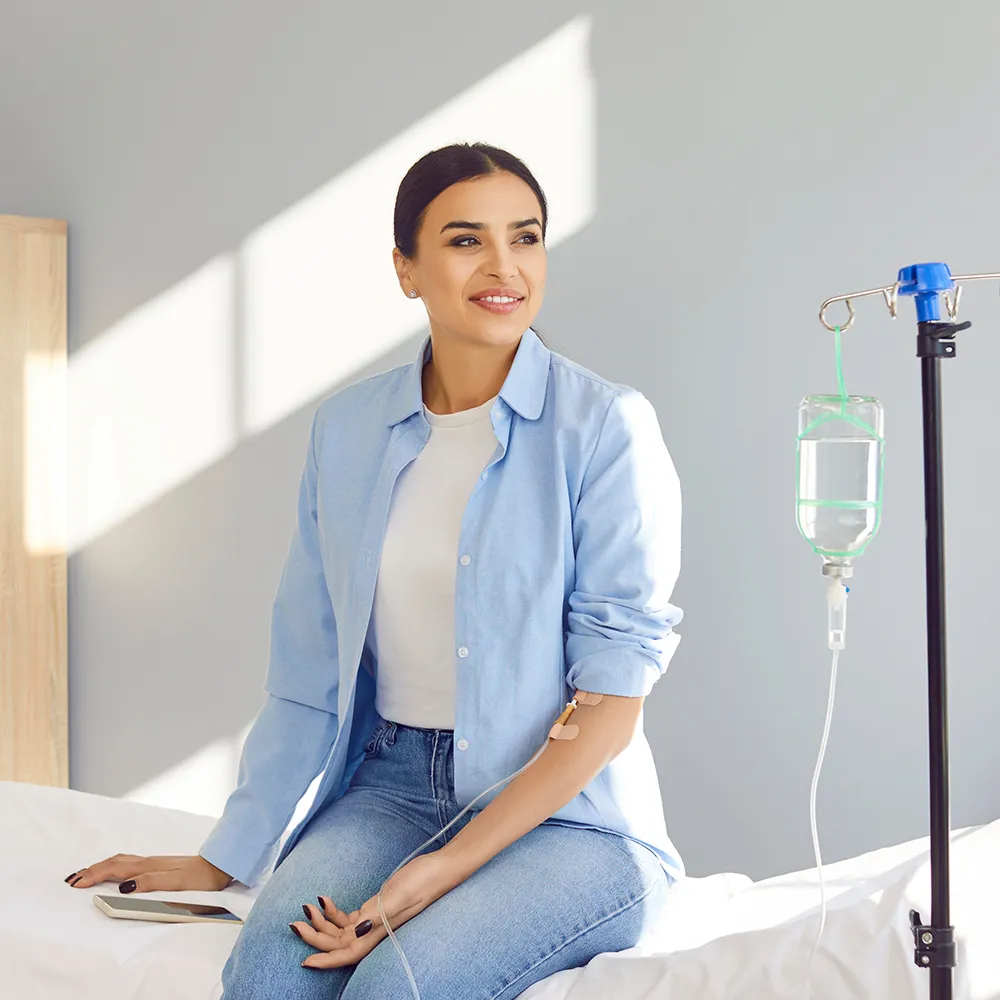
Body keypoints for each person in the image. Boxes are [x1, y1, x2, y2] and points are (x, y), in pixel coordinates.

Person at [64, 142, 685, 1000]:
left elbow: (611, 702)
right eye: (465, 241)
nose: (504, 266)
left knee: (394, 986)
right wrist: (227, 855)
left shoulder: (607, 426)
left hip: (572, 819)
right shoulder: (348, 429)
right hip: (391, 786)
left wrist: (442, 871)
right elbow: (310, 666)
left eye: (526, 237)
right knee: (269, 978)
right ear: (406, 269)